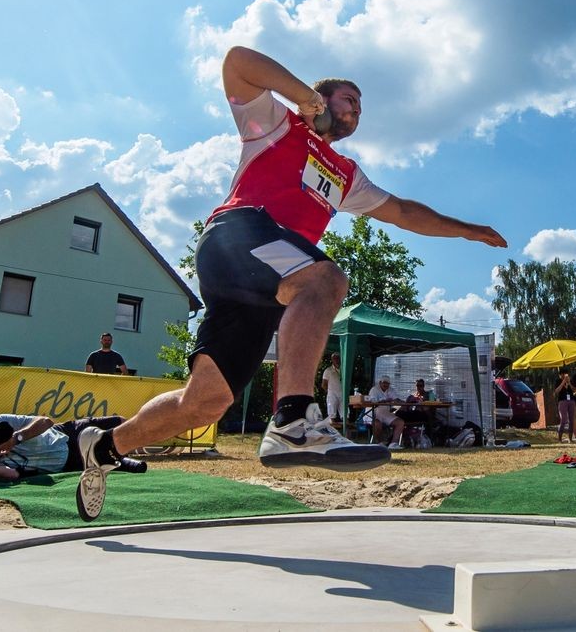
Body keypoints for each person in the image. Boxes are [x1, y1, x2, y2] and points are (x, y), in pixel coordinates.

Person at [71, 46, 505, 520]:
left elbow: (401, 212)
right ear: (320, 98)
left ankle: (105, 444)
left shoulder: (344, 174)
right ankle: (294, 417)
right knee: (326, 279)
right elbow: (237, 61)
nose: (357, 109)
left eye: (361, 107)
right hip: (238, 235)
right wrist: (301, 98)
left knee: (205, 402)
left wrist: (466, 228)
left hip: (264, 282)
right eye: (348, 98)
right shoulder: (279, 123)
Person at [0, 414, 145, 482]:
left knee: (120, 423)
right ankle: (120, 459)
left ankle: (149, 435)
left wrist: (15, 438)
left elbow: (45, 421)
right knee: (108, 455)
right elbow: (11, 475)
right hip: (69, 461)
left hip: (67, 433)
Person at [366, 376, 406, 449]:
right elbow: (373, 402)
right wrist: (385, 401)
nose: (386, 385)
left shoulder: (391, 390)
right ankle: (379, 443)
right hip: (373, 412)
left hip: (385, 413)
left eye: (387, 383)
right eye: (384, 383)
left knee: (400, 422)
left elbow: (396, 399)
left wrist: (403, 402)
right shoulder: (374, 390)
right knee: (377, 423)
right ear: (380, 383)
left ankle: (393, 443)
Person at [320, 352, 343, 423]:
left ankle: (347, 433)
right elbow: (323, 385)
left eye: (338, 358)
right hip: (332, 395)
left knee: (345, 414)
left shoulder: (344, 369)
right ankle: (332, 432)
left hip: (342, 394)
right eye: (334, 358)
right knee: (332, 415)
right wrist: (330, 392)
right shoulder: (328, 371)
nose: (336, 360)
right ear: (332, 360)